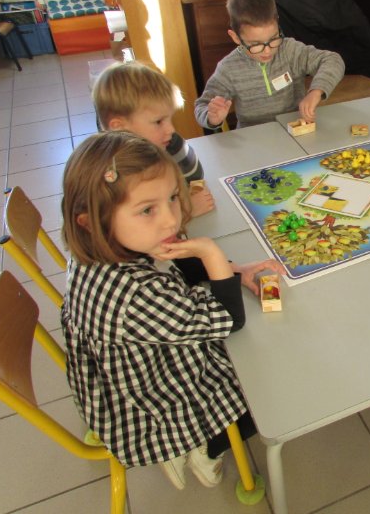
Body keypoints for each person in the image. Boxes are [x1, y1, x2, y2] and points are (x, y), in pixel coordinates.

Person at [60, 131, 285, 490]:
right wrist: (211, 253)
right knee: (266, 403)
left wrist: (235, 270)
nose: (171, 221)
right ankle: (205, 448)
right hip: (152, 403)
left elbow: (177, 264)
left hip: (129, 367)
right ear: (92, 219)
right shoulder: (134, 295)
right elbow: (230, 319)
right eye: (148, 209)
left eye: (172, 199)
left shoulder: (108, 243)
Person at [194, 0, 345, 130]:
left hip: (297, 129)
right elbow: (202, 105)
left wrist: (316, 91)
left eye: (273, 39)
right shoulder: (228, 69)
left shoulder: (289, 50)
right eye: (256, 44)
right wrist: (211, 117)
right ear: (236, 38)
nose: (267, 51)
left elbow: (333, 60)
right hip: (254, 138)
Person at [92, 61, 216, 217]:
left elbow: (195, 177)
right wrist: (186, 211)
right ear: (119, 128)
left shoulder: (170, 143)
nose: (171, 129)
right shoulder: (110, 173)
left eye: (170, 119)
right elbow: (133, 231)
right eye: (158, 122)